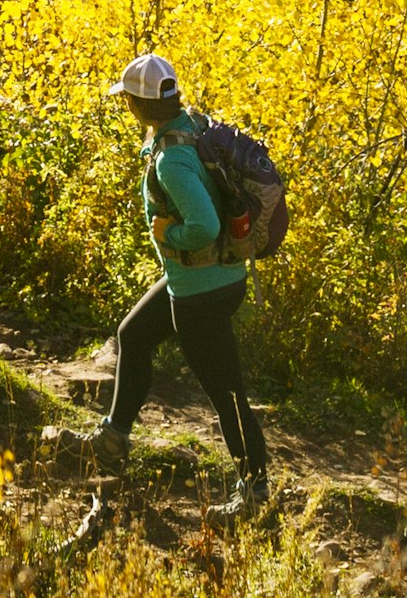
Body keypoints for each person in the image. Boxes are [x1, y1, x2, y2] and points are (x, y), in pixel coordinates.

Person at [47, 51, 271, 520]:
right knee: (134, 334)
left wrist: (167, 233)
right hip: (205, 278)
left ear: (137, 105)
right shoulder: (192, 125)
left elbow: (205, 227)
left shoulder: (172, 160)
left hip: (202, 293)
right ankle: (112, 441)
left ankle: (254, 493)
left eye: (127, 100)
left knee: (226, 392)